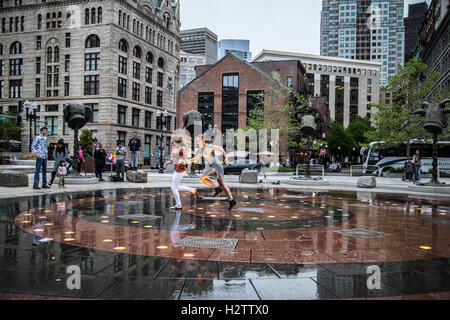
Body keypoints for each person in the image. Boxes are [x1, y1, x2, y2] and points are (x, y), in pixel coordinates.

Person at [190, 135, 237, 210]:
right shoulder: (200, 150)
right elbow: (196, 159)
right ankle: (231, 199)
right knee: (219, 183)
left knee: (204, 179)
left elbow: (220, 149)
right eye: (197, 141)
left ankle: (219, 189)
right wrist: (186, 160)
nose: (197, 142)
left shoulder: (209, 146)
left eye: (198, 140)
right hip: (211, 166)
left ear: (203, 140)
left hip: (216, 165)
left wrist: (226, 158)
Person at [164, 136, 198, 211]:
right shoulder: (173, 148)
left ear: (176, 142)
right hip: (176, 168)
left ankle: (179, 204)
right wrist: (167, 163)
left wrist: (182, 161)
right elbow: (172, 159)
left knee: (173, 187)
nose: (171, 142)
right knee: (175, 186)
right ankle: (192, 190)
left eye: (172, 141)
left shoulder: (183, 149)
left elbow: (186, 160)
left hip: (181, 169)